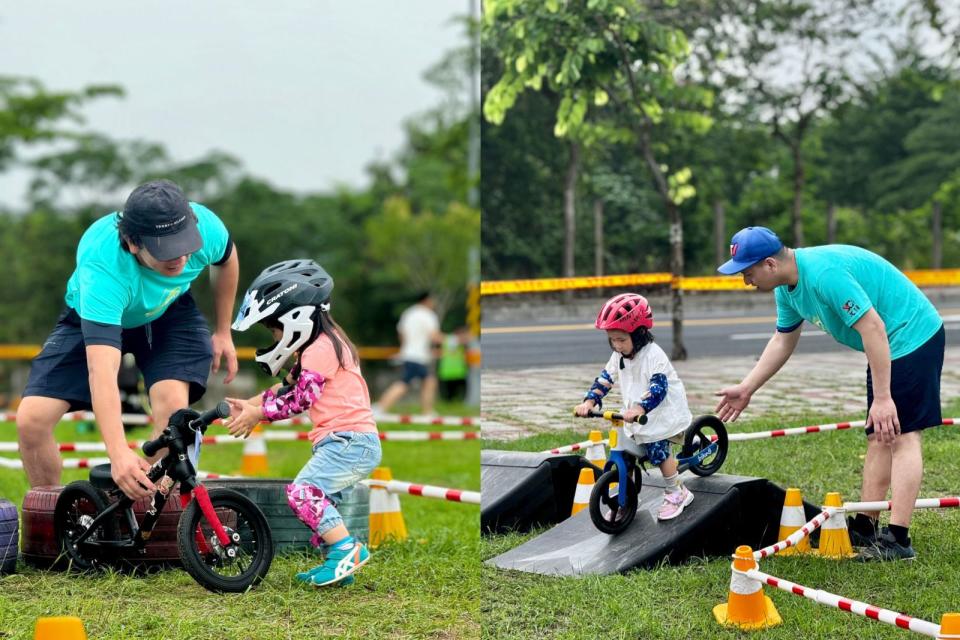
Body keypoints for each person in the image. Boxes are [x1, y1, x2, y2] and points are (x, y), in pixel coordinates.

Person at [714, 226, 945, 561]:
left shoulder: (823, 274)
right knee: (879, 436)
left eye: (747, 273)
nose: (746, 281)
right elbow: (783, 340)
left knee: (901, 435)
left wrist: (883, 399)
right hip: (885, 344)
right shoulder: (787, 289)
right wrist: (747, 387)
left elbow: (873, 327)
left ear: (769, 265)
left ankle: (898, 539)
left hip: (911, 336)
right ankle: (866, 526)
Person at [16, 179, 239, 501]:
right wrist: (118, 451)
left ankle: (141, 514)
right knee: (31, 420)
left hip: (170, 313)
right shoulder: (103, 268)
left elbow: (227, 260)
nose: (180, 257)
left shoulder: (207, 228)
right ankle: (50, 518)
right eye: (167, 249)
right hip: (92, 316)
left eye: (185, 243)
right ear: (133, 243)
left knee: (174, 415)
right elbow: (102, 373)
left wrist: (223, 330)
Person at [225, 259, 382, 587]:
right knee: (319, 500)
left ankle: (346, 550)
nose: (273, 335)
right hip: (346, 441)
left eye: (273, 327)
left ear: (295, 316)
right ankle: (339, 566)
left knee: (303, 494)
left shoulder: (319, 350)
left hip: (349, 441)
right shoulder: (323, 344)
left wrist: (260, 415)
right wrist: (251, 405)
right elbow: (286, 389)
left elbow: (300, 400)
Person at [574, 293, 695, 521]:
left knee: (657, 451)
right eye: (612, 339)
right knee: (627, 453)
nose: (617, 345)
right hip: (636, 415)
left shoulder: (653, 355)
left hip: (661, 412)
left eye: (621, 339)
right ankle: (626, 496)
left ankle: (677, 492)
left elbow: (658, 388)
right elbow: (605, 379)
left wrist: (640, 408)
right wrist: (590, 401)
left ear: (639, 333)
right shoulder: (618, 355)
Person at [376, 292, 443, 415]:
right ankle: (381, 407)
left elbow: (401, 333)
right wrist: (451, 340)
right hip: (418, 356)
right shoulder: (428, 315)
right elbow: (435, 336)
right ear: (427, 300)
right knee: (404, 383)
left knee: (429, 381)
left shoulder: (409, 313)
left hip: (408, 353)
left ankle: (427, 411)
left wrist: (406, 347)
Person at [437, 326, 471, 402]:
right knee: (449, 397)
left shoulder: (449, 340)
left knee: (458, 397)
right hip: (449, 373)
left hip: (457, 373)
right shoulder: (451, 339)